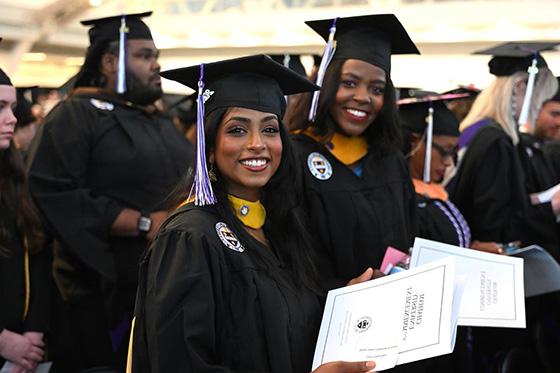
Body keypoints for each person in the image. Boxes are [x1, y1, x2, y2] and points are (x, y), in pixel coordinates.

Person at [129, 54, 377, 373]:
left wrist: (344, 303)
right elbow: (181, 363)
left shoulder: (282, 227)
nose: (257, 144)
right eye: (237, 130)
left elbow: (289, 328)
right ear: (210, 145)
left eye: (270, 130)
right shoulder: (190, 236)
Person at [27, 12, 193, 372]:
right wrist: (145, 222)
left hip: (162, 282)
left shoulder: (153, 116)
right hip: (100, 295)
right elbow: (56, 194)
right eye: (144, 56)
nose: (156, 65)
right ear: (109, 61)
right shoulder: (73, 115)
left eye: (155, 56)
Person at [448, 42, 560, 373]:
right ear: (520, 88)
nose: (539, 105)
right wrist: (548, 210)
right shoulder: (496, 141)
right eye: (540, 97)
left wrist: (537, 200)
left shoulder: (475, 132)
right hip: (490, 284)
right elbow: (494, 224)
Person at [285, 14, 419, 282]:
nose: (362, 97)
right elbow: (290, 255)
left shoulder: (390, 159)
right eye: (349, 83)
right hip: (327, 313)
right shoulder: (295, 157)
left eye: (377, 89)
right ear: (326, 83)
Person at [0, 66, 50, 372]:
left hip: (24, 352)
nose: (13, 118)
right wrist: (3, 342)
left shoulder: (14, 181)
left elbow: (38, 260)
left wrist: (32, 335)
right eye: (0, 108)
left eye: (12, 106)